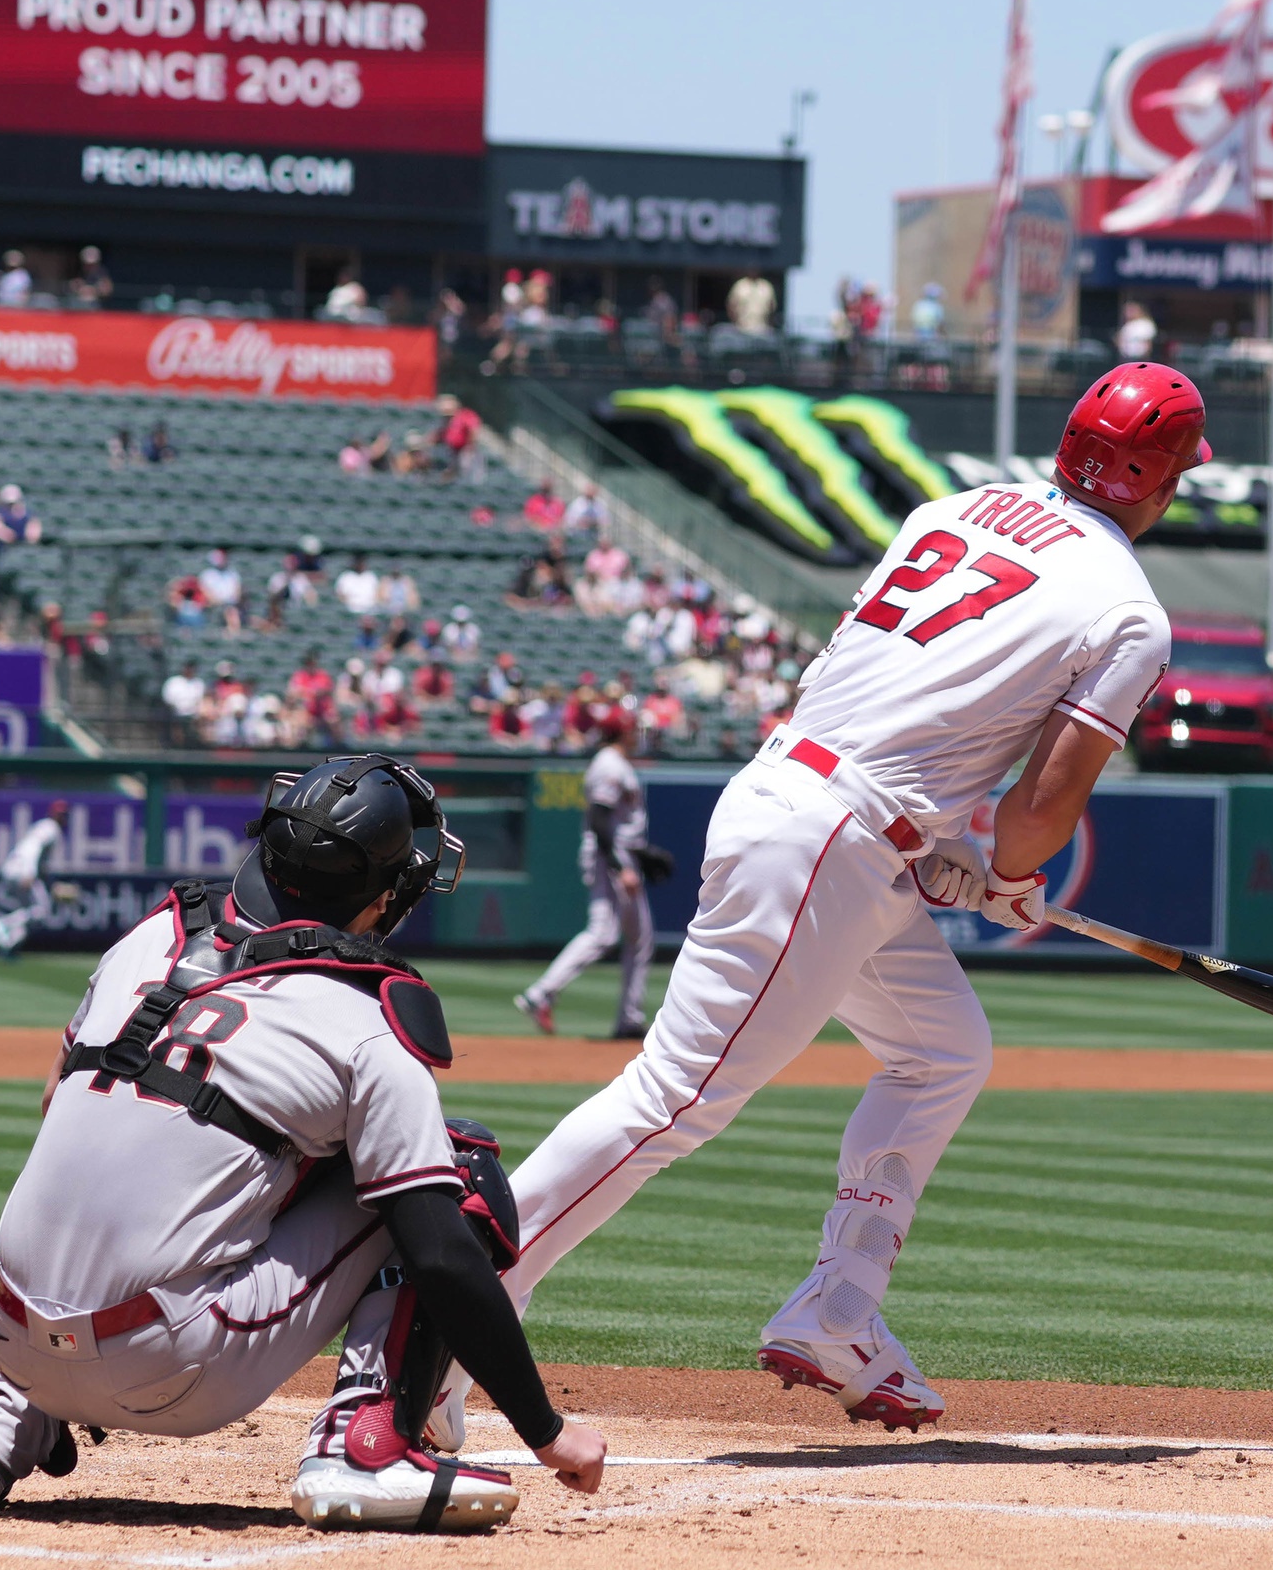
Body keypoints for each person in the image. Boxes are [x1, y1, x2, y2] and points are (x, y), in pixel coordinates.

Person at [492, 363, 1192, 1432]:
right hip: (833, 835)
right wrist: (1004, 874)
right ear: (1165, 478)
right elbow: (1042, 813)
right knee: (675, 1097)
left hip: (815, 805)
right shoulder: (1128, 610)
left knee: (942, 1051)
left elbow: (890, 696)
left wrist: (954, 845)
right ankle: (460, 1310)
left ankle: (838, 1308)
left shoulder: (951, 510)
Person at [0, 756, 607, 1530]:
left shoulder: (151, 934)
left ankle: (7, 1414)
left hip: (9, 1330)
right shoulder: (365, 1019)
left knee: (149, 1128)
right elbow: (442, 1253)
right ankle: (363, 1442)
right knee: (455, 1169)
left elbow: (57, 1102)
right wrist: (548, 1432)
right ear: (384, 894)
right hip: (169, 1367)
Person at [516, 699, 655, 1041]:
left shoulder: (616, 763)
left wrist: (643, 855)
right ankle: (541, 993)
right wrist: (621, 865)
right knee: (604, 932)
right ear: (620, 728)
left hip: (619, 855)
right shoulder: (609, 765)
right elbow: (599, 818)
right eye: (631, 725)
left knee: (638, 938)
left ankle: (629, 1019)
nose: (635, 731)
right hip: (611, 859)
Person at [0, 805, 68, 959]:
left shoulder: (44, 826)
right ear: (53, 814)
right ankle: (2, 923)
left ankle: (7, 947)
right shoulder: (50, 827)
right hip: (22, 870)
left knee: (27, 913)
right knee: (41, 910)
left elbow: (42, 863)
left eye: (65, 814)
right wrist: (28, 872)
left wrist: (50, 883)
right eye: (61, 814)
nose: (64, 818)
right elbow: (32, 847)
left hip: (14, 868)